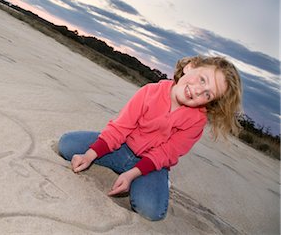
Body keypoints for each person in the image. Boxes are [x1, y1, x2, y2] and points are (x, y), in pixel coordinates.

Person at [58, 55, 242, 221]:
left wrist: (131, 175)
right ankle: (106, 159)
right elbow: (120, 129)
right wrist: (89, 156)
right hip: (121, 147)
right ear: (190, 66)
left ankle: (154, 181)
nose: (198, 91)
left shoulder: (196, 121)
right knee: (67, 145)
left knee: (151, 210)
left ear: (209, 102)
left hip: (151, 164)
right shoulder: (150, 91)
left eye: (208, 94)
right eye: (202, 79)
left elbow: (165, 153)